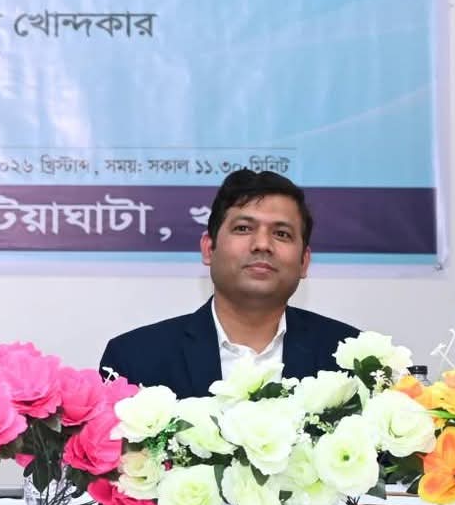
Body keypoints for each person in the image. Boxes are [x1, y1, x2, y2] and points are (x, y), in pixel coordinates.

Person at [99, 170, 358, 397]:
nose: (262, 244)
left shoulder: (353, 359)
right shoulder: (135, 360)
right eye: (243, 228)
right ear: (209, 248)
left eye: (282, 234)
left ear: (304, 261)